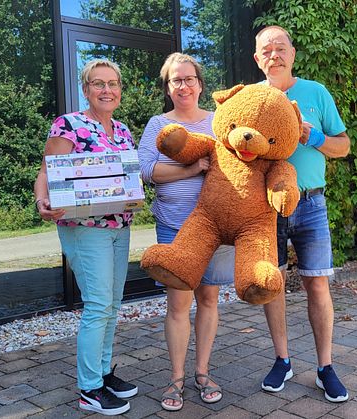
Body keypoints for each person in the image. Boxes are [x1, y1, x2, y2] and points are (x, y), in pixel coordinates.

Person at [33, 59, 137, 416]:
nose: (106, 90)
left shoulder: (122, 131)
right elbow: (46, 172)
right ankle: (89, 389)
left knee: (112, 304)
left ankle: (104, 373)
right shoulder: (69, 125)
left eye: (112, 84)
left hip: (119, 227)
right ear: (86, 88)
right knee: (98, 305)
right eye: (98, 84)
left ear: (120, 90)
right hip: (84, 228)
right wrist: (41, 201)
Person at [253, 26, 352, 403]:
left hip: (311, 203)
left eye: (281, 48)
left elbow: (343, 147)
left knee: (318, 284)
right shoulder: (250, 98)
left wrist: (316, 139)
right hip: (265, 205)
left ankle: (325, 367)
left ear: (292, 54)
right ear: (257, 59)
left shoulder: (316, 92)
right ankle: (283, 360)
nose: (274, 55)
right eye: (267, 50)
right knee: (272, 284)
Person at [138, 52, 234, 411]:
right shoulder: (157, 125)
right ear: (168, 87)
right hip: (174, 224)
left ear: (200, 83)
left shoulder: (217, 121)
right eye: (176, 80)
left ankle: (203, 372)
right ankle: (175, 379)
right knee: (179, 303)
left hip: (215, 226)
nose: (184, 85)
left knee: (209, 299)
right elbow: (146, 171)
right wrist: (192, 169)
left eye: (189, 78)